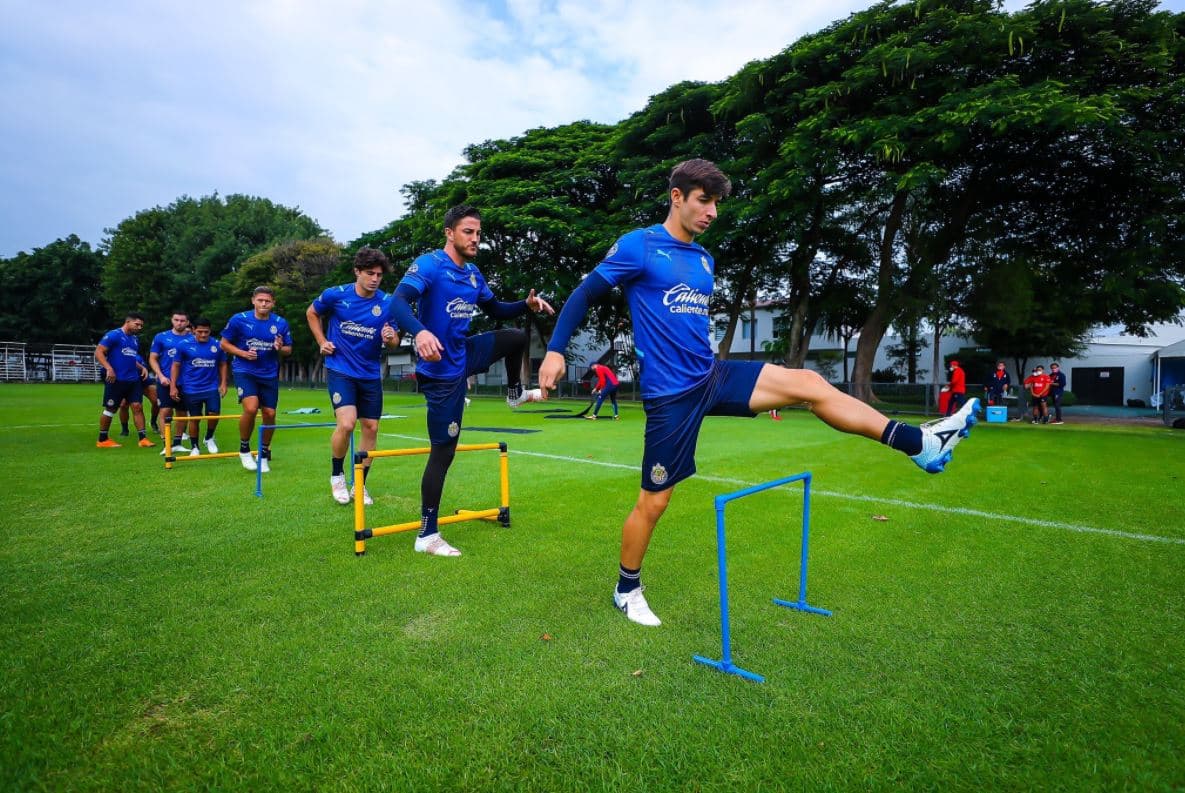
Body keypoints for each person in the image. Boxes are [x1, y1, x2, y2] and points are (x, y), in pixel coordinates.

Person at [538, 159, 981, 627]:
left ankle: (922, 445)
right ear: (677, 196)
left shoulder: (705, 259)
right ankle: (627, 588)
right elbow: (583, 294)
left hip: (711, 375)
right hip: (671, 396)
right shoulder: (639, 246)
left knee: (809, 383)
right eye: (704, 201)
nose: (712, 212)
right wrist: (555, 350)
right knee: (655, 500)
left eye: (717, 204)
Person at [386, 204, 554, 557]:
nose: (476, 238)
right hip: (440, 372)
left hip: (464, 354)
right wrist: (418, 333)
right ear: (449, 233)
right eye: (468, 232)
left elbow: (497, 311)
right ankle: (427, 534)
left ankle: (514, 394)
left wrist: (527, 304)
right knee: (443, 452)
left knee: (515, 337)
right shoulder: (430, 265)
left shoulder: (474, 274)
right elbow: (398, 303)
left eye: (478, 233)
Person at [306, 247, 401, 505]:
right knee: (347, 423)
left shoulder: (387, 303)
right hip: (340, 368)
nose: (375, 279)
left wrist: (391, 338)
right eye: (370, 273)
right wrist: (321, 340)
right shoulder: (336, 295)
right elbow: (311, 312)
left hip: (369, 373)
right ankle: (337, 475)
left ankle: (359, 484)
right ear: (357, 272)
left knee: (371, 427)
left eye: (379, 275)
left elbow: (394, 340)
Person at [220, 286, 293, 472]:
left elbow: (288, 350)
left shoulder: (280, 323)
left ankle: (263, 452)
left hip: (269, 373)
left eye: (267, 301)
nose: (263, 304)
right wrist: (243, 353)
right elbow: (224, 344)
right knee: (251, 408)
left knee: (270, 414)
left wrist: (280, 347)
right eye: (260, 300)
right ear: (253, 300)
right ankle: (244, 449)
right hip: (245, 370)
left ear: (273, 303)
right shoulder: (239, 320)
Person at [94, 312, 155, 448]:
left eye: (141, 325)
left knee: (137, 407)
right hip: (116, 380)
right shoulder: (114, 335)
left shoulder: (134, 339)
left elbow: (130, 357)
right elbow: (99, 352)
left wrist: (141, 368)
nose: (139, 327)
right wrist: (109, 368)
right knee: (110, 408)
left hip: (133, 380)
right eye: (137, 324)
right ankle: (102, 439)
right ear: (128, 322)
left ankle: (143, 438)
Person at [169, 318, 229, 455]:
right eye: (200, 331)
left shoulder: (217, 345)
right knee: (194, 418)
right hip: (191, 388)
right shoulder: (183, 345)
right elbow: (176, 365)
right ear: (194, 329)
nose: (203, 335)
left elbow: (223, 364)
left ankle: (209, 437)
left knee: (214, 413)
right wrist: (173, 386)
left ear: (210, 331)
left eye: (206, 332)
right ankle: (195, 446)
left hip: (211, 387)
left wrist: (224, 383)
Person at [150, 311, 193, 452]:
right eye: (176, 320)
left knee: (182, 412)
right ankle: (166, 444)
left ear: (187, 322)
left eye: (182, 320)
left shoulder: (193, 338)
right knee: (165, 411)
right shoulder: (161, 337)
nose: (179, 323)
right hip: (166, 381)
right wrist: (160, 375)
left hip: (186, 382)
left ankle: (178, 442)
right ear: (172, 320)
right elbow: (152, 358)